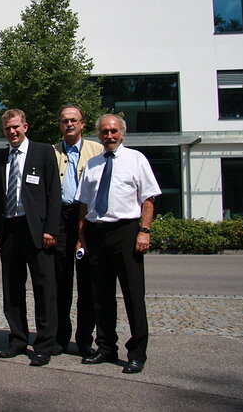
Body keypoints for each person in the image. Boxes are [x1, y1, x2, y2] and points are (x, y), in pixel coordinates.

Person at [75, 114, 161, 374]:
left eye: (113, 131)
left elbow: (148, 198)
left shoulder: (136, 160)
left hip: (126, 231)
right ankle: (106, 346)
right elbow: (84, 204)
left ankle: (137, 352)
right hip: (97, 232)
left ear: (122, 133)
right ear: (98, 135)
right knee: (100, 295)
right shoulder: (92, 164)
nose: (108, 136)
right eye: (103, 132)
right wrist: (81, 236)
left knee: (133, 295)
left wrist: (143, 231)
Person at [0, 109, 61, 366]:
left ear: (25, 126)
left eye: (16, 127)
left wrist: (51, 229)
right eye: (7, 128)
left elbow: (54, 193)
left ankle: (44, 344)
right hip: (10, 229)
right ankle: (18, 340)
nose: (12, 131)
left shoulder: (43, 152)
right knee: (12, 289)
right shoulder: (0, 158)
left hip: (38, 230)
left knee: (44, 289)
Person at [53, 105, 102, 356]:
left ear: (82, 123)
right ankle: (60, 337)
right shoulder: (52, 152)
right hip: (61, 219)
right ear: (60, 125)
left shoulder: (98, 150)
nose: (69, 124)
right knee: (61, 282)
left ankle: (84, 338)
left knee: (87, 283)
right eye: (64, 121)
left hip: (87, 220)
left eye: (73, 120)